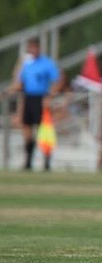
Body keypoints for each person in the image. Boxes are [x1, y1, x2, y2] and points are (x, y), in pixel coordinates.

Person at [7, 38, 62, 171]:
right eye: (30, 48)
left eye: (34, 47)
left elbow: (58, 80)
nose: (32, 50)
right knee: (27, 129)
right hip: (28, 98)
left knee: (43, 130)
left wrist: (49, 96)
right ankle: (28, 161)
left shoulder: (46, 63)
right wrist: (8, 91)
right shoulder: (26, 64)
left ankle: (46, 162)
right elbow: (20, 82)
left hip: (41, 98)